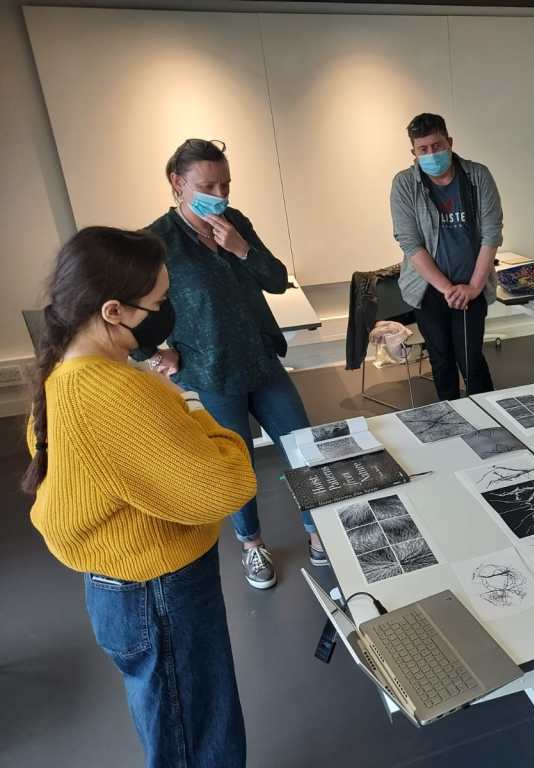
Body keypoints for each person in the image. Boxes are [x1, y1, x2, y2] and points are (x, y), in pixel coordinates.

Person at [23, 227, 256, 767]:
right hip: (161, 591)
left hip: (123, 587)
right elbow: (226, 485)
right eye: (158, 302)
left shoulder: (64, 374)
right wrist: (193, 407)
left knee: (173, 719)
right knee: (194, 731)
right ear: (113, 311)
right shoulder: (113, 393)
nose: (167, 311)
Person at [139, 138, 321, 590]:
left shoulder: (234, 222)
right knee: (237, 465)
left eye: (226, 184)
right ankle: (251, 543)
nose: (219, 195)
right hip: (213, 370)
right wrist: (153, 354)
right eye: (207, 186)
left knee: (304, 446)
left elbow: (276, 280)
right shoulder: (156, 241)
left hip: (261, 358)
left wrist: (242, 249)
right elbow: (125, 308)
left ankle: (318, 530)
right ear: (177, 183)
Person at [390, 113, 503, 402]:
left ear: (450, 142)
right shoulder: (404, 184)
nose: (431, 154)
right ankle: (451, 415)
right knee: (440, 358)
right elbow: (410, 243)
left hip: (471, 285)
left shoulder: (478, 176)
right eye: (423, 149)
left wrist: (473, 287)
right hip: (428, 289)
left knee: (471, 358)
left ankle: (490, 417)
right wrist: (447, 289)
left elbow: (491, 234)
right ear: (414, 152)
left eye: (437, 146)